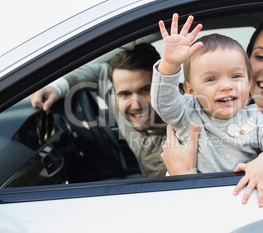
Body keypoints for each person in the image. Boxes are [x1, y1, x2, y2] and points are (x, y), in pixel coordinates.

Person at [160, 11, 263, 206]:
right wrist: (169, 66)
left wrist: (184, 176)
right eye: (261, 56)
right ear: (189, 89)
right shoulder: (194, 110)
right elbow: (165, 102)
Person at [31, 43, 167, 177]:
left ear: (165, 85)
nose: (136, 105)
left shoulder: (183, 127)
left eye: (146, 90)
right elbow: (97, 72)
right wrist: (57, 87)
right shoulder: (116, 94)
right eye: (125, 94)